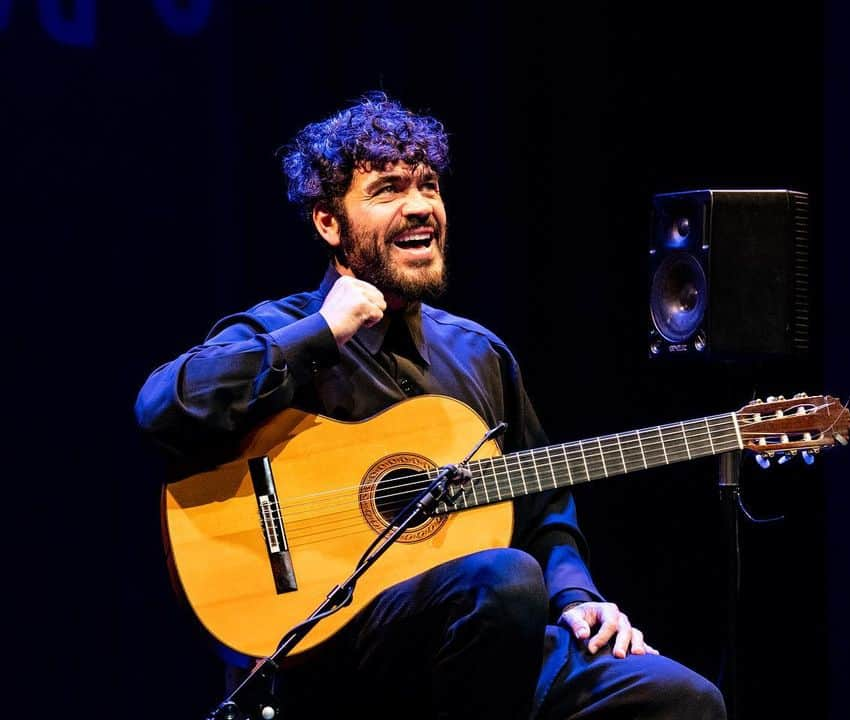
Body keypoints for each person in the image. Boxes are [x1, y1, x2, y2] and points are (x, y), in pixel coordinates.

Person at [135, 91, 726, 719]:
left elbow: (545, 505)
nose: (420, 206)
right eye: (388, 189)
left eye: (430, 185)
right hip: (332, 650)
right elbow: (163, 406)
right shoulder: (287, 328)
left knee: (683, 700)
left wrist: (575, 593)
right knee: (503, 580)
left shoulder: (478, 355)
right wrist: (320, 334)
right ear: (328, 223)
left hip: (485, 642)